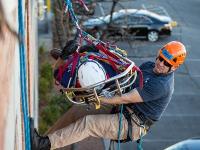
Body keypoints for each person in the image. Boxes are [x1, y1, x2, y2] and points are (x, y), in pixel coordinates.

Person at [31, 41, 187, 150]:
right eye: (161, 58)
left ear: (174, 66)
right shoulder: (148, 66)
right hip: (124, 108)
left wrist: (97, 97)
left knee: (89, 123)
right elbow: (125, 77)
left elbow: (126, 97)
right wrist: (95, 52)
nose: (160, 63)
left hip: (131, 124)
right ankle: (44, 141)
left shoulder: (162, 86)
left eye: (167, 63)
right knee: (78, 111)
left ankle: (44, 144)